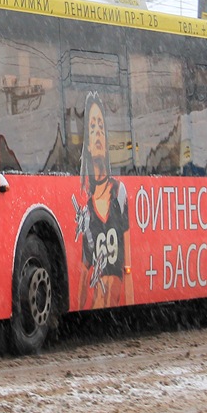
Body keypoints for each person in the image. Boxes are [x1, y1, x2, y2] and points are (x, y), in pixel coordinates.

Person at [74, 92, 132, 309]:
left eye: (101, 127)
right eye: (92, 128)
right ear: (88, 145)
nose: (97, 133)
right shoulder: (87, 213)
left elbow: (129, 268)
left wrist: (132, 305)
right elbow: (82, 278)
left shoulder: (120, 193)